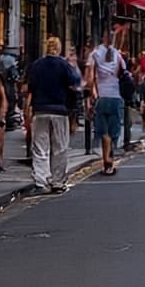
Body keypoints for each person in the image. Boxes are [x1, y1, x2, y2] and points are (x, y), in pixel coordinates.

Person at [26, 36, 80, 193]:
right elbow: (74, 82)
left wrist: (27, 108)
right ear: (59, 48)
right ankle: (57, 182)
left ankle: (41, 181)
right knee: (59, 147)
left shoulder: (36, 65)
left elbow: (31, 88)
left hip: (40, 110)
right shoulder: (64, 65)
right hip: (59, 111)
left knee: (40, 148)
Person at [85, 35, 125, 175]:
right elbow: (123, 74)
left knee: (103, 132)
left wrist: (92, 96)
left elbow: (90, 80)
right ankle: (110, 161)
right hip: (116, 97)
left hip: (101, 97)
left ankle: (106, 160)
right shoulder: (118, 55)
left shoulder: (94, 55)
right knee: (113, 132)